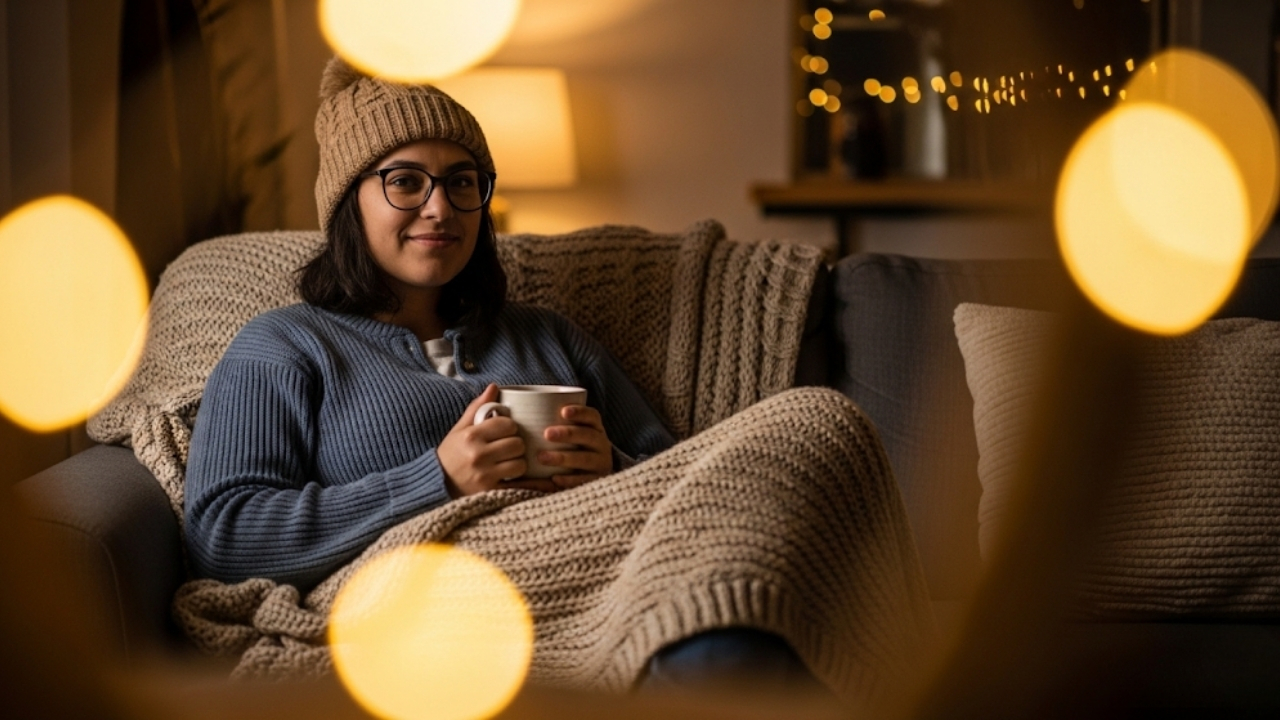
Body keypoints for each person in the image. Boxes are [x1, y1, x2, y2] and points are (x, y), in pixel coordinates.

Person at [183, 57, 822, 696]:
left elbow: (685, 482)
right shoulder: (284, 344)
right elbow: (223, 537)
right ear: (350, 202)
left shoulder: (547, 335)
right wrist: (435, 480)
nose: (441, 208)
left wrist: (613, 467)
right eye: (406, 182)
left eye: (463, 182)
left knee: (812, 422)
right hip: (437, 615)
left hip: (607, 590)